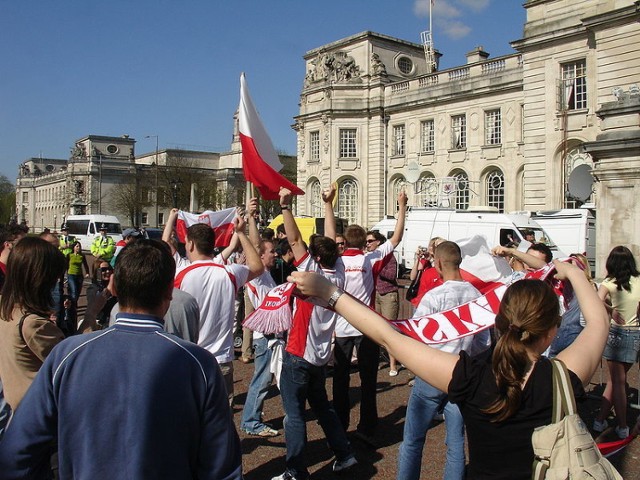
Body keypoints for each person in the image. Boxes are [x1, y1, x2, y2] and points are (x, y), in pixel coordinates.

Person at [288, 257, 609, 480]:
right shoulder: (563, 377)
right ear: (552, 330)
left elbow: (390, 338)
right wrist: (574, 272)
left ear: (498, 321)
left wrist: (330, 294)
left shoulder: (473, 376)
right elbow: (597, 322)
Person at [0, 240, 243, 479]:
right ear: (169, 290)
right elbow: (221, 466)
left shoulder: (67, 355)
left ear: (116, 286)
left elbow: (18, 452)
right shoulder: (198, 364)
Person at [273, 187, 356, 480]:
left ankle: (295, 470)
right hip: (320, 356)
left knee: (293, 415)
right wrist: (328, 205)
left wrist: (285, 206)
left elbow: (293, 239)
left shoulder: (312, 272)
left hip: (298, 352)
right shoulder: (339, 272)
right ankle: (344, 454)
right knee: (323, 409)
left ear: (316, 258)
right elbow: (332, 241)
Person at [398, 241, 489, 480]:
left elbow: (416, 337)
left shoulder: (433, 297)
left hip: (432, 372)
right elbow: (483, 343)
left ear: (437, 263)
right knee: (456, 443)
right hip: (461, 372)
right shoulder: (476, 296)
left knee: (413, 441)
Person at [163, 208, 263, 406]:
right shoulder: (229, 272)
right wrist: (241, 233)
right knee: (221, 422)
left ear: (190, 244)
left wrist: (171, 219)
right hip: (220, 359)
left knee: (188, 419)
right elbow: (257, 266)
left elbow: (165, 244)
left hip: (189, 358)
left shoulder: (181, 272)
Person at [332, 189, 407, 445]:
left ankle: (340, 424)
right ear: (365, 242)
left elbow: (330, 237)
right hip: (367, 327)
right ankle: (367, 426)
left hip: (342, 327)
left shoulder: (338, 261)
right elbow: (396, 238)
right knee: (368, 380)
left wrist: (329, 204)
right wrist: (402, 207)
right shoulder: (371, 259)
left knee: (340, 381)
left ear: (345, 242)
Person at [0, 237, 66, 411]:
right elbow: (73, 366)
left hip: (17, 409)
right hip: (39, 414)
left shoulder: (5, 307)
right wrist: (90, 316)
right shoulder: (33, 325)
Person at [241, 198, 281, 437]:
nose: (275, 254)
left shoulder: (267, 275)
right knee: (261, 379)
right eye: (272, 252)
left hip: (272, 334)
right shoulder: (256, 274)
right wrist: (251, 218)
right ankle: (251, 421)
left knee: (268, 379)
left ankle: (253, 417)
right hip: (264, 336)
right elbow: (255, 245)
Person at [593, 245, 640, 439]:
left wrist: (610, 309)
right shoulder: (638, 280)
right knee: (616, 381)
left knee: (618, 382)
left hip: (616, 332)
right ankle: (600, 420)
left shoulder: (609, 282)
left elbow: (595, 300)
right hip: (635, 332)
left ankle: (621, 425)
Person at [366, 230, 401, 376]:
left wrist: (377, 268)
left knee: (390, 330)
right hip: (377, 295)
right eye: (366, 242)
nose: (367, 244)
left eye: (370, 241)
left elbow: (392, 275)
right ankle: (380, 360)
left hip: (388, 295)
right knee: (377, 329)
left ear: (378, 242)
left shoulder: (389, 257)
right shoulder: (369, 257)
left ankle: (393, 364)